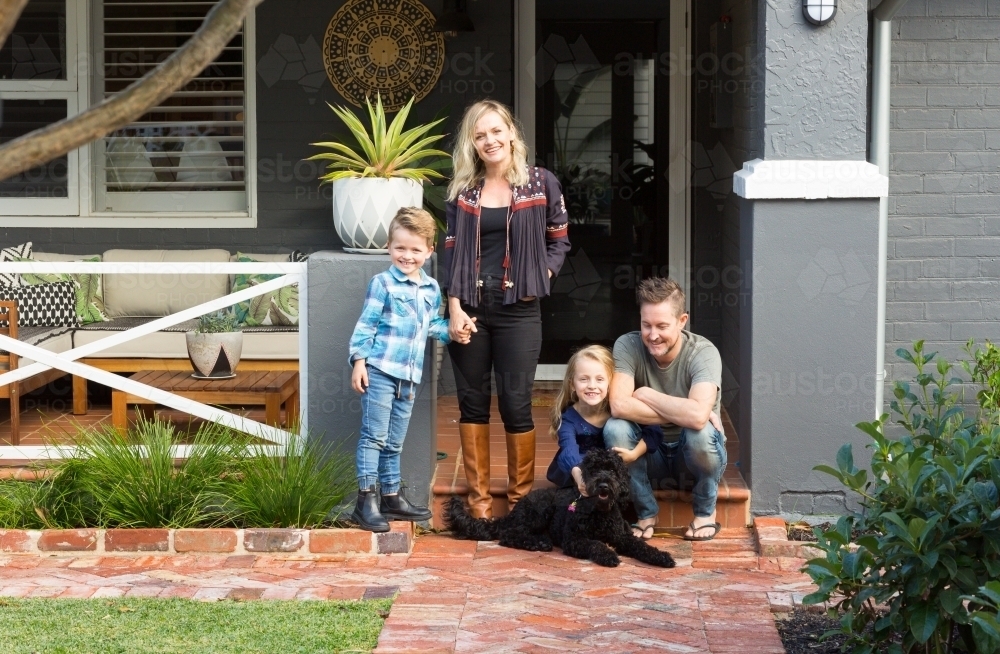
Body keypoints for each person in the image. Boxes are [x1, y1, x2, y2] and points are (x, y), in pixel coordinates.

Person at [442, 99, 571, 519]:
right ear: (472, 144)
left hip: (519, 310)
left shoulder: (541, 183)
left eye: (496, 131)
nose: (490, 140)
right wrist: (454, 309)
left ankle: (519, 505)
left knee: (516, 402)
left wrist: (543, 276)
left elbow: (560, 239)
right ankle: (478, 503)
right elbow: (451, 251)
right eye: (480, 135)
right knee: (472, 402)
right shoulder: (464, 191)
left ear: (512, 133)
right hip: (473, 310)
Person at [348, 207, 451, 533]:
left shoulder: (431, 289)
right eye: (400, 248)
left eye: (415, 250)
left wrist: (454, 331)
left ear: (429, 251)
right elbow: (366, 325)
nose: (407, 256)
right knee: (374, 437)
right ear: (390, 247)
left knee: (394, 441)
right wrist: (360, 362)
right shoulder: (383, 284)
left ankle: (391, 496)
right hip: (379, 370)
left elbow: (432, 326)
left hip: (409, 376)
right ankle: (366, 500)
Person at [604, 277, 727, 542]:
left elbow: (696, 420)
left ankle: (705, 513)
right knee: (615, 427)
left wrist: (645, 394)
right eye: (646, 324)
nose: (652, 334)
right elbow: (618, 405)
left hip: (691, 457)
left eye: (662, 325)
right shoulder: (628, 345)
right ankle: (646, 512)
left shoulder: (703, 353)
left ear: (683, 321)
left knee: (701, 433)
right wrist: (689, 411)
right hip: (649, 453)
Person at [546, 346, 663, 540]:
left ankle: (636, 514)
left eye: (600, 379)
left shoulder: (617, 407)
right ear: (572, 384)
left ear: (611, 382)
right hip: (582, 472)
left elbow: (654, 430)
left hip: (613, 472)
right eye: (584, 379)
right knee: (577, 503)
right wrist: (577, 473)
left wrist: (634, 454)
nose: (592, 385)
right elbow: (568, 449)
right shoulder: (569, 418)